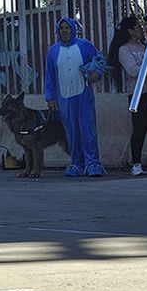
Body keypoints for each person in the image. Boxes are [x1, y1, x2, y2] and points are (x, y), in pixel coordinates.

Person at [107, 14, 147, 176]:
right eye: (137, 27)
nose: (141, 29)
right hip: (138, 93)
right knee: (140, 128)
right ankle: (136, 163)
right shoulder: (124, 49)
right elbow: (133, 71)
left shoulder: (145, 46)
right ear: (130, 31)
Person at [44, 17, 104, 177]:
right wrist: (49, 97)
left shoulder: (85, 45)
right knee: (71, 132)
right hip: (64, 98)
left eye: (67, 27)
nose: (64, 30)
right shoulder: (53, 51)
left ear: (73, 29)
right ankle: (77, 163)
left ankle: (93, 163)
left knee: (88, 130)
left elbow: (99, 62)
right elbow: (49, 76)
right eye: (61, 28)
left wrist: (96, 74)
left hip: (83, 96)